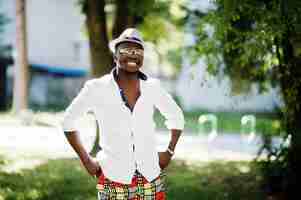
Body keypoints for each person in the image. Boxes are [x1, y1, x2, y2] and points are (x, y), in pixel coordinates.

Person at [62, 28, 185, 200]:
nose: (132, 55)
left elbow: (177, 117)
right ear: (115, 57)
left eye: (137, 51)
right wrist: (86, 160)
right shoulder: (96, 88)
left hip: (150, 178)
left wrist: (169, 151)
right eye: (126, 50)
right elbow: (68, 122)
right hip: (113, 179)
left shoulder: (153, 87)